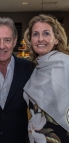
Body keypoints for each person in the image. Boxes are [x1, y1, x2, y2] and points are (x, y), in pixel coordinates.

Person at [23, 14, 69, 143]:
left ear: (56, 39)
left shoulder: (66, 64)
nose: (40, 39)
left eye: (46, 33)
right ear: (30, 40)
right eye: (35, 34)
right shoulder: (34, 69)